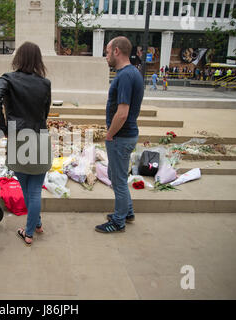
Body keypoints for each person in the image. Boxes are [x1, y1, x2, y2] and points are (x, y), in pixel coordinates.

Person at [0, 41, 52, 246]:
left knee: (27, 187)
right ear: (37, 60)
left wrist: (2, 127)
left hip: (18, 136)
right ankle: (36, 224)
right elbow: (45, 111)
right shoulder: (45, 83)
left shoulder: (7, 79)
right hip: (39, 135)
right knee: (32, 189)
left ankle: (29, 232)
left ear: (18, 58)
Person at [95, 36, 144, 234]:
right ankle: (127, 212)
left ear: (116, 51)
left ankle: (118, 221)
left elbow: (122, 112)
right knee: (120, 177)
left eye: (107, 52)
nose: (106, 56)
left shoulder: (124, 76)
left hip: (120, 136)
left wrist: (109, 134)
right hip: (126, 135)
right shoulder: (133, 73)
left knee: (118, 180)